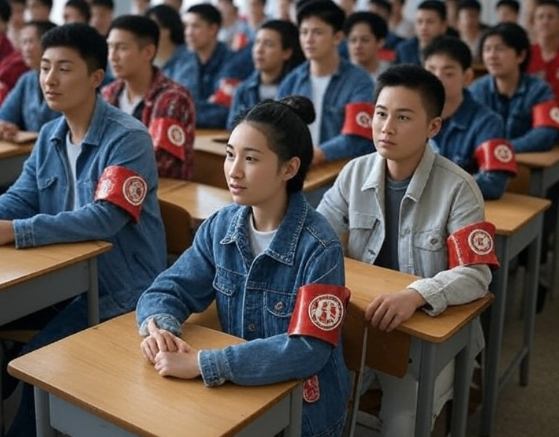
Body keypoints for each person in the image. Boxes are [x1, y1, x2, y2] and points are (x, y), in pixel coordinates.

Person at [136, 95, 350, 437]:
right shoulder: (221, 226)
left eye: (250, 159)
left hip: (303, 414)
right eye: (230, 154)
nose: (233, 170)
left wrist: (204, 363)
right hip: (237, 395)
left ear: (289, 169)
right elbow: (168, 288)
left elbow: (309, 350)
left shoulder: (320, 247)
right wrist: (160, 329)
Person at [0, 23, 166, 437]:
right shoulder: (51, 134)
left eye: (64, 69)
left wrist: (17, 231)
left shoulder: (128, 138)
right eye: (44, 68)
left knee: (40, 360)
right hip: (62, 278)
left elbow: (105, 218)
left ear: (96, 78)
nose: (49, 80)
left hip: (121, 286)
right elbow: (20, 198)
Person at [317, 64, 496, 437]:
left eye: (402, 117)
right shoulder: (353, 173)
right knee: (314, 401)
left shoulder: (460, 188)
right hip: (363, 322)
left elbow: (477, 274)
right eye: (381, 114)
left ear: (433, 127)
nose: (386, 127)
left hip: (426, 335)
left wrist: (416, 295)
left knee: (401, 423)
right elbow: (317, 242)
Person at [277, 0, 375, 165]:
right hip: (298, 169)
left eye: (317, 32)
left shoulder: (359, 82)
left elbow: (358, 136)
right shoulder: (292, 81)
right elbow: (277, 130)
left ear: (337, 37)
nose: (308, 39)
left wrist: (316, 155)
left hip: (341, 171)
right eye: (304, 32)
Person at [103, 15, 195, 180]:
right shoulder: (108, 93)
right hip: (111, 184)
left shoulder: (172, 98)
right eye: (110, 47)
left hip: (163, 191)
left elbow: (160, 162)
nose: (112, 56)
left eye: (122, 48)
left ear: (148, 52)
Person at [423, 36, 515, 200]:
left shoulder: (488, 122)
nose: (436, 79)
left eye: (448, 73)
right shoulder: (411, 115)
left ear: (467, 77)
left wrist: (430, 184)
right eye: (430, 70)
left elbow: (493, 184)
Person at [470, 22, 559, 153]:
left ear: (521, 55)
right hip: (483, 161)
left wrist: (501, 150)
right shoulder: (476, 91)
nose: (492, 56)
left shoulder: (540, 90)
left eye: (499, 49)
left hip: (527, 161)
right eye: (487, 49)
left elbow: (546, 133)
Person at [227, 19, 304, 129]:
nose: (259, 50)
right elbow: (232, 128)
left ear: (287, 53)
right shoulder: (244, 90)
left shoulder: (297, 87)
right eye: (257, 42)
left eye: (268, 44)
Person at [180, 3, 236, 128]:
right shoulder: (184, 62)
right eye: (186, 26)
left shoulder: (233, 62)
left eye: (195, 26)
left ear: (213, 29)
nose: (188, 32)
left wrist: (186, 112)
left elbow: (224, 112)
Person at [0, 20, 59, 139]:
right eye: (24, 42)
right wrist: (6, 127)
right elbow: (4, 116)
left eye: (30, 42)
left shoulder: (66, 80)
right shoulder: (26, 79)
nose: (26, 49)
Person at [146, 4, 190, 84]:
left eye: (153, 28)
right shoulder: (144, 57)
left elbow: (185, 88)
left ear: (168, 30)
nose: (147, 33)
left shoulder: (186, 58)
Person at [395, 0, 447, 65]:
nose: (423, 27)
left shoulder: (451, 51)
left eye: (430, 22)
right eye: (419, 21)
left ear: (443, 25)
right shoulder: (403, 49)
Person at [345, 11, 391, 83]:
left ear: (380, 42)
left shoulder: (391, 75)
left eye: (365, 40)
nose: (357, 46)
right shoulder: (340, 75)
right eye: (353, 40)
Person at [528, 0, 559, 101]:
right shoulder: (524, 55)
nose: (545, 22)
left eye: (550, 17)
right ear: (534, 23)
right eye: (540, 17)